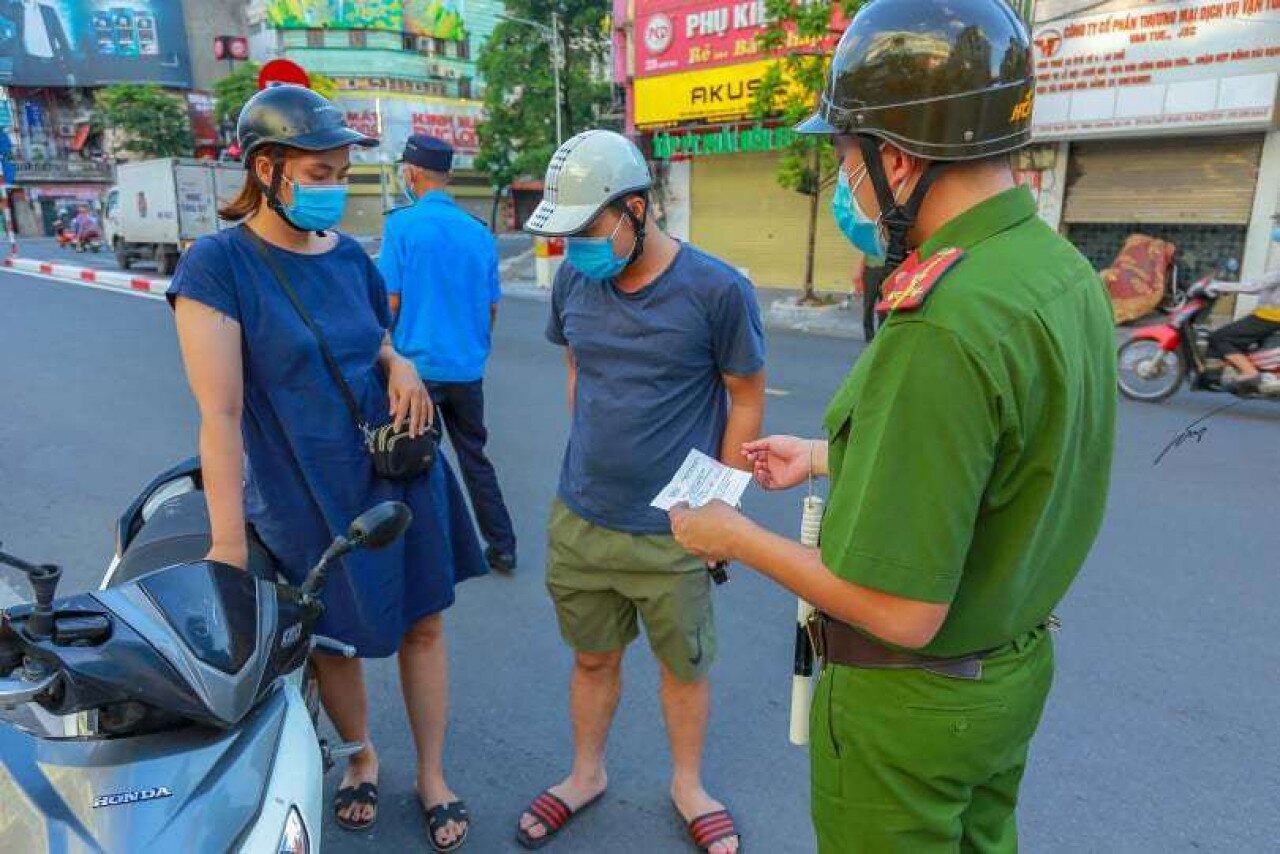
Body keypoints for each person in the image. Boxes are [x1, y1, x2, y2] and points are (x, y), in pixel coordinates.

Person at [667, 0, 1117, 851]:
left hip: (913, 704)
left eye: (845, 154)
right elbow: (1011, 459)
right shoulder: (1054, 269)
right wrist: (831, 455)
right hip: (1008, 676)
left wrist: (731, 534)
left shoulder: (944, 321)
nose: (847, 178)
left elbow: (899, 610)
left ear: (899, 160)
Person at [166, 85, 486, 853]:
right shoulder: (218, 265)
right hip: (304, 487)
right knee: (334, 640)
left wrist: (400, 358)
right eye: (320, 169)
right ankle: (362, 759)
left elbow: (372, 337)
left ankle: (433, 774)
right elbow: (220, 416)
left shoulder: (347, 257)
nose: (335, 184)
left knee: (424, 626)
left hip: (398, 468)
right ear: (268, 169)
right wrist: (228, 551)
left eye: (343, 169)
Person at [516, 129, 766, 854]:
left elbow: (744, 397)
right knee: (592, 659)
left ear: (636, 207)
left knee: (682, 669)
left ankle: (688, 785)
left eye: (586, 229)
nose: (573, 250)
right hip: (583, 516)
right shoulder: (574, 281)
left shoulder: (718, 290)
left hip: (676, 530)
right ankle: (585, 774)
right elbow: (580, 374)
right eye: (563, 236)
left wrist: (722, 509)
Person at [379, 134, 517, 574]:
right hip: (466, 369)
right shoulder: (478, 232)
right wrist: (473, 346)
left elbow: (391, 302)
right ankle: (503, 546)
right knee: (475, 457)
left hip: (416, 373)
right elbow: (492, 306)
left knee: (416, 459)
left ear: (411, 173)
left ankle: (431, 556)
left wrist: (384, 351)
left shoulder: (401, 226)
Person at [1206, 227, 1280, 395]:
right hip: (1269, 314)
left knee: (1219, 337)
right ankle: (1220, 376)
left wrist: (1218, 285)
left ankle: (1250, 373)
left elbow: (1255, 286)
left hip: (1271, 316)